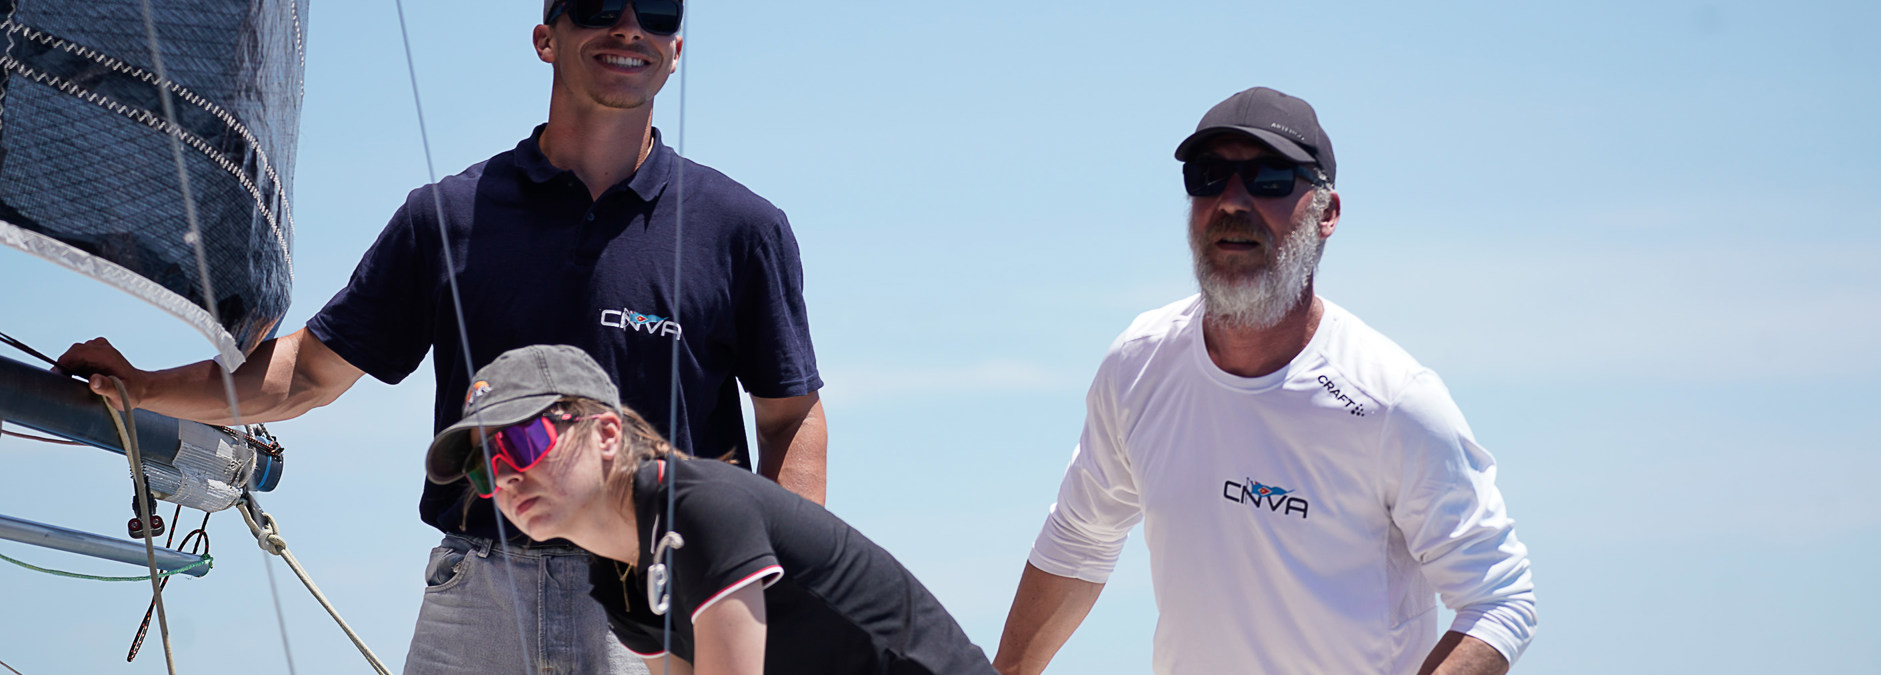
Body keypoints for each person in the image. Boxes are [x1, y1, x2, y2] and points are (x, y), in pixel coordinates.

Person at [55, 1, 827, 672]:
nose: (629, 27)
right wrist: (144, 387)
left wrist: (776, 589)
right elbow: (309, 372)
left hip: (660, 592)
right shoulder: (447, 216)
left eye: (657, 11)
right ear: (546, 38)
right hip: (479, 592)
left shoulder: (742, 230)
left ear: (676, 47)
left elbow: (791, 419)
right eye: (598, 6)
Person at [992, 87, 1537, 675]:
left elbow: (1500, 601)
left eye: (1269, 178)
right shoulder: (1139, 364)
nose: (1232, 201)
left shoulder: (1393, 401)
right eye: (1208, 176)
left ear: (1327, 213)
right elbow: (1079, 541)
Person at [422, 344, 992, 675]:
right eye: (484, 469)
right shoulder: (616, 578)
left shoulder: (698, 507)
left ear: (606, 433)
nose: (507, 476)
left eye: (521, 443)